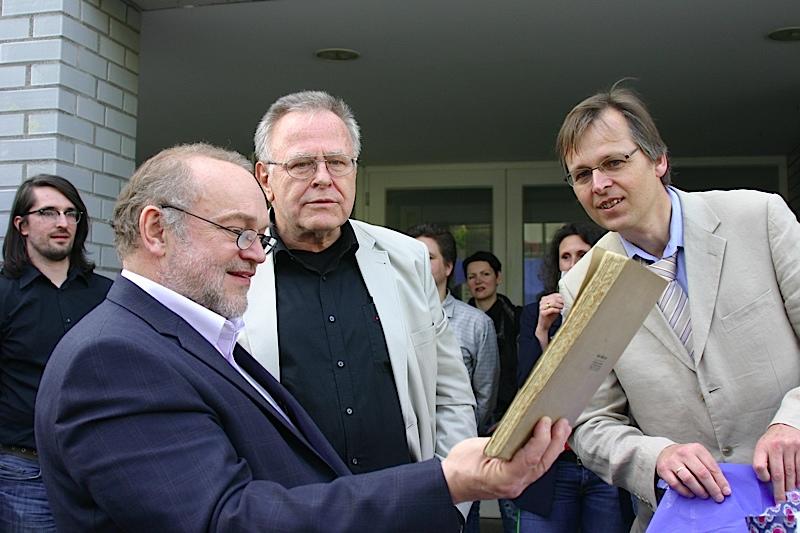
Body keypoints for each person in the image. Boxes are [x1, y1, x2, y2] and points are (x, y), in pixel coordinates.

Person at [33, 142, 571, 532]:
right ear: (156, 230)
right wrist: (447, 481)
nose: (256, 253)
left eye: (260, 235)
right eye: (238, 232)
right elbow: (226, 519)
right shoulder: (112, 360)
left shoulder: (195, 335)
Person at [556, 84, 800, 531]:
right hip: (689, 516)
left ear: (659, 160)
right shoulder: (582, 286)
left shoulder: (760, 218)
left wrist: (793, 422)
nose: (600, 185)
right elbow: (589, 423)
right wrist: (656, 457)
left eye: (614, 162)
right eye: (582, 174)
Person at [241, 91, 478, 521]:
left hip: (409, 514)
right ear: (265, 177)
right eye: (301, 164)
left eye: (337, 162)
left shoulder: (406, 260)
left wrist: (451, 504)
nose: (323, 178)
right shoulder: (238, 269)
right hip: (291, 521)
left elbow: (450, 394)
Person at [0, 175, 111, 531]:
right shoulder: (4, 294)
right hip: (24, 473)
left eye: (70, 213)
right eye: (48, 212)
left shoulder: (108, 295)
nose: (62, 223)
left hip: (98, 470)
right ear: (22, 225)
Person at [515, 221, 633, 532]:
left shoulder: (619, 311)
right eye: (565, 257)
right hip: (551, 464)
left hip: (604, 461)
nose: (573, 263)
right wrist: (543, 331)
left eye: (582, 255)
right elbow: (526, 386)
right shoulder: (535, 313)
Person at [407, 224, 499, 435]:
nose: (418, 262)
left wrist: (462, 436)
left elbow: (485, 395)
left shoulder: (477, 323)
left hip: (457, 439)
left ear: (448, 267)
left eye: (428, 257)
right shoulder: (393, 318)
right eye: (413, 256)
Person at [463, 250, 521, 532]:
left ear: (498, 278)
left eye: (485, 274)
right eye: (472, 276)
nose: (478, 281)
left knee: (510, 502)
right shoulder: (459, 321)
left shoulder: (517, 320)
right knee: (468, 499)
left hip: (507, 419)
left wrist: (511, 417)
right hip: (470, 422)